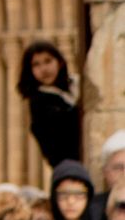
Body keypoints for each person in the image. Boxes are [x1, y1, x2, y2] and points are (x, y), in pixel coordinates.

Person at [17, 43, 82, 173]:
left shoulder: (78, 84)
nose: (44, 69)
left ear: (59, 61)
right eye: (36, 64)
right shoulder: (39, 103)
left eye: (48, 61)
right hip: (70, 170)